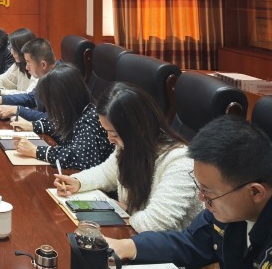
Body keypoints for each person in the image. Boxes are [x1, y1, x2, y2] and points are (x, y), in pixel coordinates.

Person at [107, 116, 272, 269]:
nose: (201, 198)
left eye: (208, 192)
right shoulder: (235, 195)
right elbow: (192, 241)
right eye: (200, 187)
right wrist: (127, 246)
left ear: (255, 192)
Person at [54, 82, 202, 232]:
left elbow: (156, 224)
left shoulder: (180, 162)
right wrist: (78, 182)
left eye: (114, 134)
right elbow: (106, 173)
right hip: (136, 234)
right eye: (107, 132)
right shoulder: (129, 147)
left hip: (167, 243)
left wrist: (127, 211)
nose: (110, 139)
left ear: (137, 129)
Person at [13, 63, 112, 169]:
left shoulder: (90, 120)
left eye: (51, 103)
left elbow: (78, 157)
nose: (51, 108)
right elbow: (59, 123)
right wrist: (32, 125)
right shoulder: (76, 111)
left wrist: (35, 151)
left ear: (64, 99)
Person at [0, 37, 56, 121]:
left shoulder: (60, 80)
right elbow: (31, 97)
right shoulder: (45, 76)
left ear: (43, 65)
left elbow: (55, 120)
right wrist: (1, 99)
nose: (26, 67)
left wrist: (17, 110)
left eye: (28, 62)